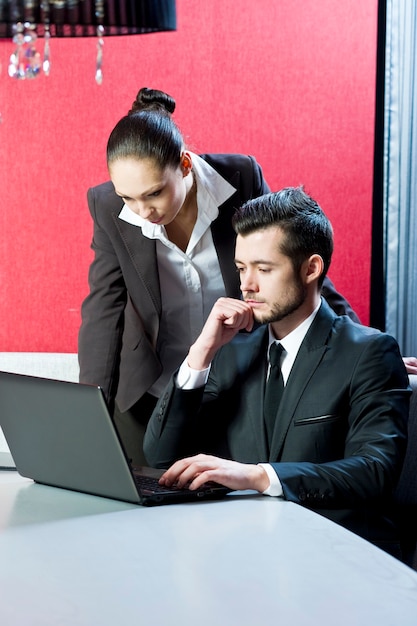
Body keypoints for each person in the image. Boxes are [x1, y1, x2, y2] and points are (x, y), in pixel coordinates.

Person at [78, 87, 360, 466]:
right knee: (142, 510)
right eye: (128, 198)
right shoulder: (107, 206)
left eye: (154, 193)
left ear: (184, 165)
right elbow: (103, 311)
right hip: (150, 389)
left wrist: (359, 345)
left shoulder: (239, 178)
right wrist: (89, 409)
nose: (142, 210)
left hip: (236, 381)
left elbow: (293, 264)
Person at [143, 186, 411, 558]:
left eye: (263, 269)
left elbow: (374, 471)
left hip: (340, 555)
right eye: (241, 268)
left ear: (311, 268)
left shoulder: (369, 352)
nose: (246, 285)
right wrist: (200, 352)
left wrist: (259, 476)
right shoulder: (230, 351)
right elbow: (160, 454)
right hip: (246, 551)